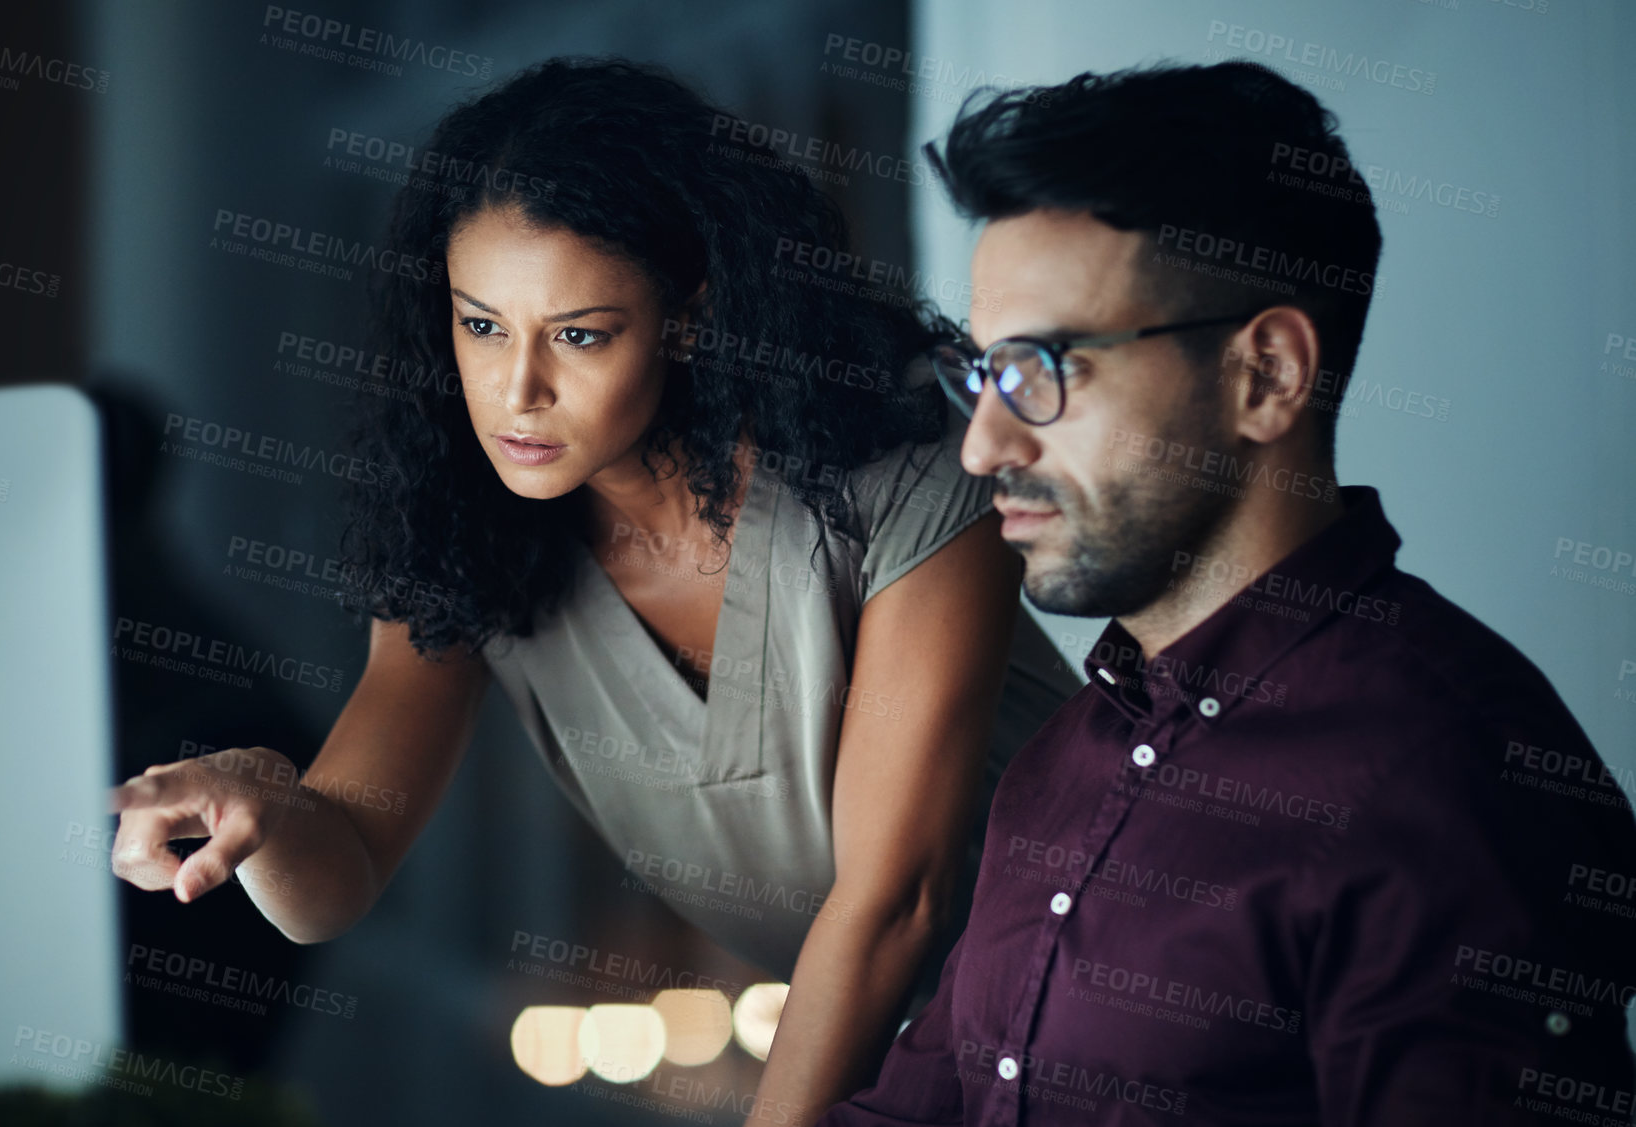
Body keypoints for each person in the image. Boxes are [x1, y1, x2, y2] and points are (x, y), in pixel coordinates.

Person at [107, 58, 1079, 1121]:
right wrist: (269, 805)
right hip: (914, 1055)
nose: (516, 390)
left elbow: (898, 901)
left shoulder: (900, 466)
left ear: (689, 316)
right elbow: (337, 870)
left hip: (1106, 988)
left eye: (578, 335)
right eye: (481, 326)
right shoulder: (468, 531)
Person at [820, 61, 1636, 1125]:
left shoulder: (1453, 771)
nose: (981, 444)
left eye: (1037, 371)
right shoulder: (1063, 761)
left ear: (1266, 376)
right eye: (977, 374)